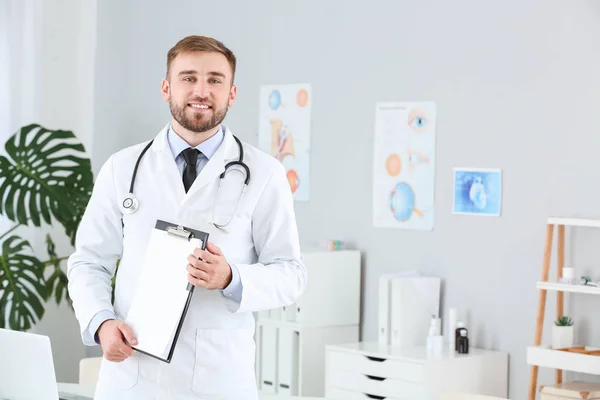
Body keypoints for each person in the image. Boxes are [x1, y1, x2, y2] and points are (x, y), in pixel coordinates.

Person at [67, 35, 307, 400]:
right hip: (134, 375)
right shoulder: (123, 168)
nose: (201, 90)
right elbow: (88, 261)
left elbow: (291, 274)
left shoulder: (265, 173)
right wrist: (100, 321)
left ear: (231, 93)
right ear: (167, 87)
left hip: (217, 378)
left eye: (215, 80)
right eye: (188, 77)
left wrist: (232, 277)